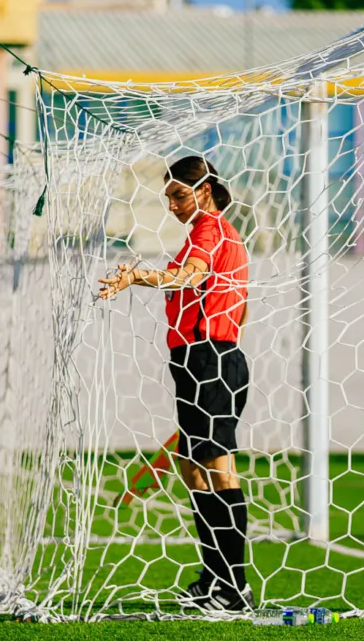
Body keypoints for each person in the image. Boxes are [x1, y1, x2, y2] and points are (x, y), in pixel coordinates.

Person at [98, 156, 253, 612]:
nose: (171, 205)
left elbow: (191, 276)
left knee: (217, 469)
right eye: (167, 197)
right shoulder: (210, 236)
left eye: (178, 195)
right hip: (198, 360)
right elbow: (236, 303)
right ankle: (214, 576)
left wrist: (136, 275)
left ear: (205, 189)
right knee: (193, 467)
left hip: (212, 360)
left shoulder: (210, 228)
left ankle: (234, 585)